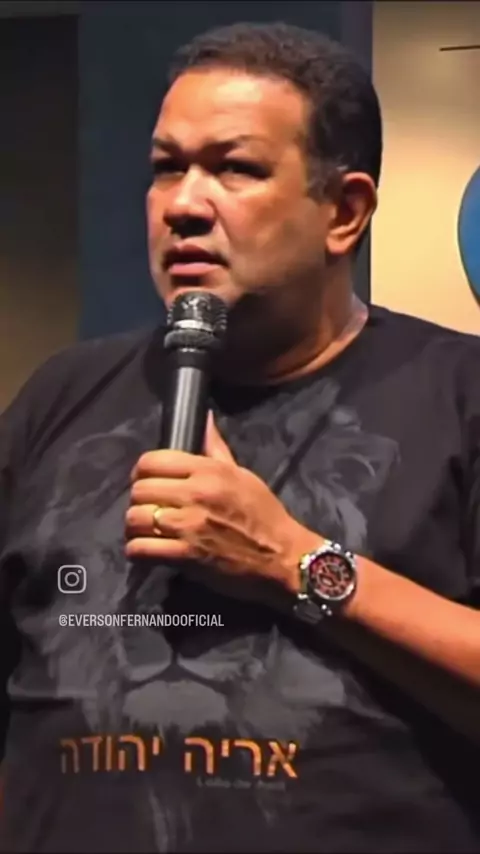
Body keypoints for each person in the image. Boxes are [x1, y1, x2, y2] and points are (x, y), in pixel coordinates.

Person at [0, 19, 479, 854]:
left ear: (345, 212)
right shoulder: (60, 396)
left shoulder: (458, 395)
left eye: (236, 168)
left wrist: (293, 562)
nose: (184, 204)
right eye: (167, 167)